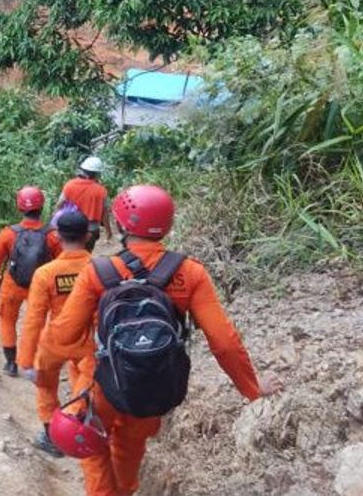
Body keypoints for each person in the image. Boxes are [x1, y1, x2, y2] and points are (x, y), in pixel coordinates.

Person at [44, 185, 282, 496]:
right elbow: (224, 342)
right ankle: (126, 490)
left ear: (120, 224)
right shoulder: (190, 273)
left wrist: (86, 361)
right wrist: (252, 388)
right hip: (154, 385)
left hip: (103, 382)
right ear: (167, 225)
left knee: (95, 450)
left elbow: (62, 336)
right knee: (130, 449)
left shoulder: (98, 272)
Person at [17, 210, 96, 458]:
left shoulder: (46, 273)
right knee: (85, 386)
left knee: (45, 384)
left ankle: (53, 435)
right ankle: (77, 425)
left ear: (58, 237)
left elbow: (34, 320)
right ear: (87, 236)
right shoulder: (99, 268)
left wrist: (26, 360)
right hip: (89, 341)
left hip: (56, 341)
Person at [0, 186, 62, 377]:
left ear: (19, 207)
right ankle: (36, 361)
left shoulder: (8, 234)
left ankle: (11, 363)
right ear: (42, 207)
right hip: (41, 286)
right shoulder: (52, 235)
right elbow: (62, 263)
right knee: (37, 322)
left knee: (7, 320)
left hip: (13, 285)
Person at [57, 157, 112, 252]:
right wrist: (108, 231)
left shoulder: (70, 185)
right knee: (86, 256)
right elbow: (105, 214)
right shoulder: (101, 190)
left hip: (71, 226)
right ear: (97, 174)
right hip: (91, 229)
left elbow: (59, 205)